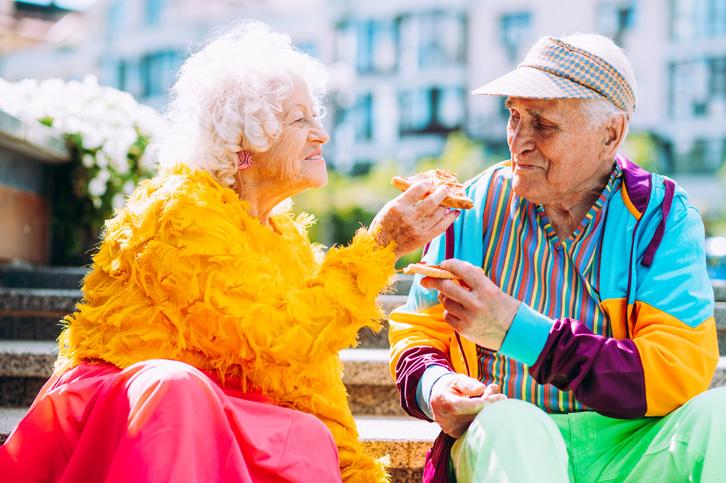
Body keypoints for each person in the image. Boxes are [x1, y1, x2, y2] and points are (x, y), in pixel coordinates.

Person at [0, 22, 462, 483]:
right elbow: (275, 339)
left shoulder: (291, 247)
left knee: (306, 436)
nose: (321, 132)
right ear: (244, 141)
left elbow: (314, 397)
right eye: (299, 119)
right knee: (177, 389)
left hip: (217, 424)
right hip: (128, 419)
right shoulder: (178, 211)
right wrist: (380, 245)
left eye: (315, 116)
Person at [389, 33, 724, 482]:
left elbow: (676, 370)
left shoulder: (663, 215)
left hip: (636, 447)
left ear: (611, 133)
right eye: (514, 117)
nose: (519, 141)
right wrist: (436, 388)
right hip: (509, 440)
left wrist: (518, 332)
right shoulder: (473, 205)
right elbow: (417, 331)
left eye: (543, 125)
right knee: (512, 423)